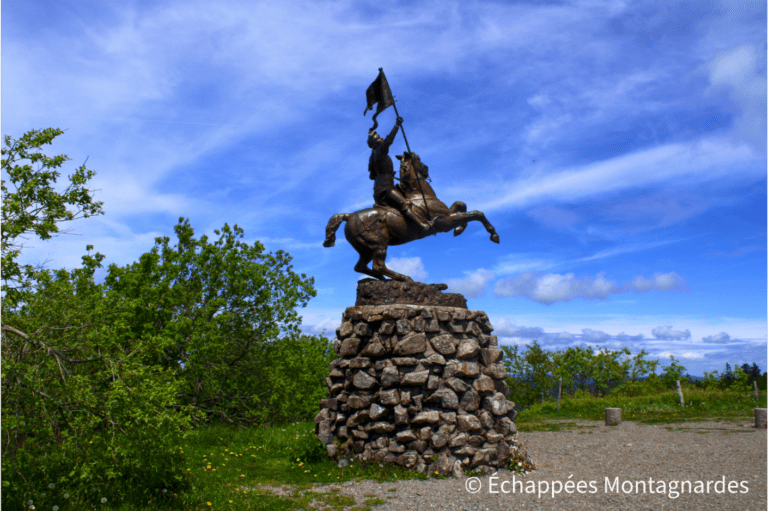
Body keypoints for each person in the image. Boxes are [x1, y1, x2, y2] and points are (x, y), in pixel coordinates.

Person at [368, 117, 433, 233]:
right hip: (385, 188)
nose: (380, 138)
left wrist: (387, 173)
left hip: (379, 188)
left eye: (379, 136)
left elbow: (372, 176)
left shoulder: (373, 156)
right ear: (374, 143)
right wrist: (396, 125)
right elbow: (389, 141)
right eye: (377, 138)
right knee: (404, 202)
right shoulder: (379, 150)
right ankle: (422, 224)